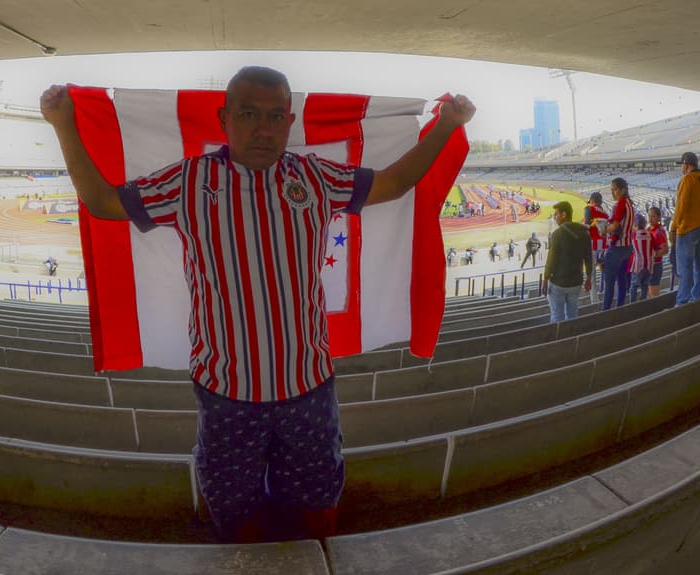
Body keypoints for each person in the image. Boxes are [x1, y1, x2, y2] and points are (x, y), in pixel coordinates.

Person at [39, 67, 474, 543]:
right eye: (248, 114)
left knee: (316, 503)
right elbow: (103, 202)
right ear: (225, 119)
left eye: (273, 117)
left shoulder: (315, 177)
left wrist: (448, 126)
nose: (262, 129)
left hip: (308, 389)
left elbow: (392, 183)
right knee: (233, 510)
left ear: (290, 123)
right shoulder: (189, 182)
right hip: (227, 397)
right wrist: (63, 123)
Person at [671, 152, 700, 306]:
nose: (682, 169)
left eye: (682, 165)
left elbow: (681, 207)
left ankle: (682, 302)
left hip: (688, 229)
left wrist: (673, 227)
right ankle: (697, 297)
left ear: (686, 164)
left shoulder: (687, 179)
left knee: (685, 268)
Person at [541, 201, 592, 323]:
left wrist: (545, 279)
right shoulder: (585, 233)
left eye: (556, 214)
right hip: (576, 282)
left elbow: (551, 260)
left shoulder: (557, 234)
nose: (555, 217)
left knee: (557, 316)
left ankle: (559, 341)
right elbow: (588, 257)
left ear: (563, 215)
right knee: (573, 314)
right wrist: (589, 278)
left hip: (559, 283)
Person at [599, 178, 635, 310]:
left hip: (617, 249)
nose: (612, 193)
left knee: (609, 284)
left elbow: (615, 226)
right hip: (627, 248)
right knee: (622, 281)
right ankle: (620, 308)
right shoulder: (630, 204)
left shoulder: (621, 203)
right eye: (611, 190)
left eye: (614, 189)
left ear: (622, 190)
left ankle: (606, 311)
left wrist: (604, 230)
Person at [645, 206, 669, 298]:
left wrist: (653, 255)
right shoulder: (648, 229)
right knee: (648, 293)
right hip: (648, 265)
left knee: (653, 293)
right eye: (649, 216)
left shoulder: (660, 231)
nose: (650, 219)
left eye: (653, 216)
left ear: (659, 217)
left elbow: (665, 249)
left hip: (656, 265)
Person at [583, 192, 609, 260]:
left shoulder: (589, 209)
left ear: (591, 200)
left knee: (591, 268)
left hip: (593, 243)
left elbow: (586, 227)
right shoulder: (606, 214)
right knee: (602, 266)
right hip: (604, 244)